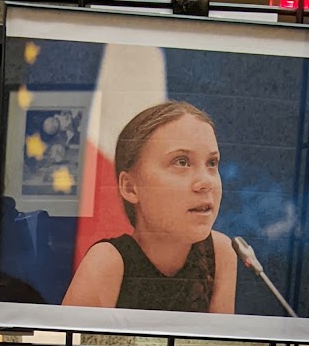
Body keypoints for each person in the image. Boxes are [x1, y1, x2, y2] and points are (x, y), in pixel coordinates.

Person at [63, 101, 238, 314]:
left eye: (212, 163)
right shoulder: (107, 263)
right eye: (181, 162)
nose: (206, 182)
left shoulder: (220, 253)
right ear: (130, 187)